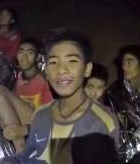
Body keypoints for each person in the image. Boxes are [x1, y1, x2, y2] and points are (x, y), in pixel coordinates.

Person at [16, 28, 119, 164]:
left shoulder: (103, 123)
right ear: (46, 70)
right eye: (53, 62)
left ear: (87, 69)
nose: (61, 70)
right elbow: (29, 157)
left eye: (72, 61)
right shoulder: (40, 114)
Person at [0, 37, 53, 154]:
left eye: (29, 53)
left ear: (38, 57)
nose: (24, 57)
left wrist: (23, 130)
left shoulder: (45, 81)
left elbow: (50, 120)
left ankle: (21, 150)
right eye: (21, 52)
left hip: (39, 128)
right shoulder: (16, 77)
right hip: (22, 125)